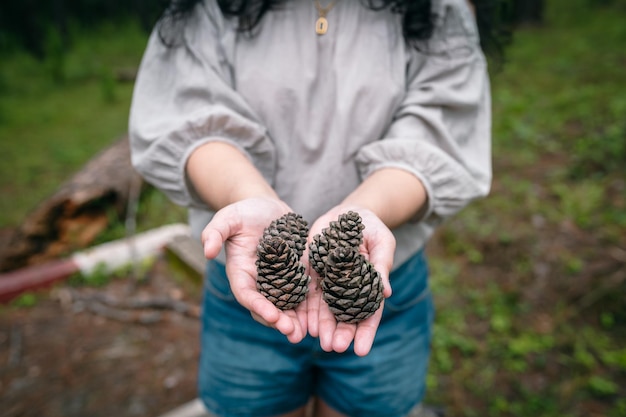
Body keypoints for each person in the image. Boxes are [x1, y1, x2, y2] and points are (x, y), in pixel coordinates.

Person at [129, 0, 505, 416]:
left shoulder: (439, 10)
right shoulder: (206, 8)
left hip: (385, 295)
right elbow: (189, 117)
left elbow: (438, 136)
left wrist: (363, 210)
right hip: (246, 295)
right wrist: (248, 195)